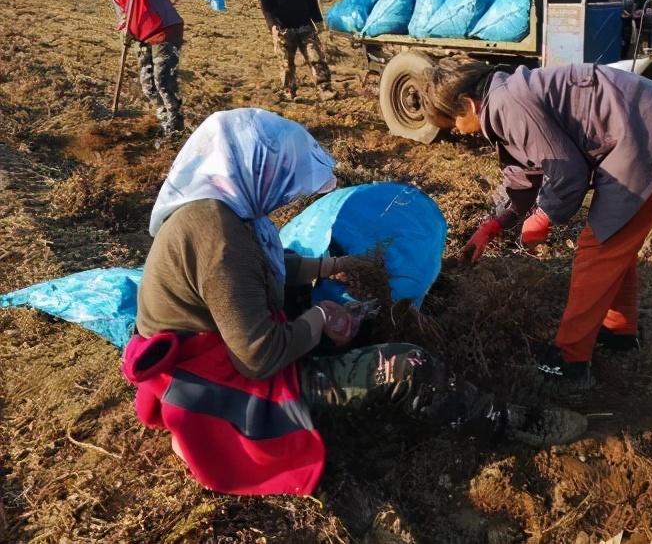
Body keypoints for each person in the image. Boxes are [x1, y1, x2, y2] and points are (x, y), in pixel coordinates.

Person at [124, 108, 584, 495]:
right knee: (409, 366)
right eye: (282, 178)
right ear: (254, 168)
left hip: (220, 351)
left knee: (340, 313)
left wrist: (332, 268)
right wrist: (321, 316)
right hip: (218, 385)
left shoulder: (225, 209)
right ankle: (506, 422)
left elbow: (268, 269)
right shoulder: (216, 234)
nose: (287, 194)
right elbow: (258, 356)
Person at [420, 59, 652, 389]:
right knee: (614, 240)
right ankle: (619, 331)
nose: (456, 131)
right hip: (649, 128)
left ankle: (570, 360)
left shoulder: (507, 104)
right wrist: (493, 225)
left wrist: (543, 216)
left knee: (599, 249)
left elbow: (567, 172)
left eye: (453, 123)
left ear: (468, 103)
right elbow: (525, 174)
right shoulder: (505, 100)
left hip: (649, 135)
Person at [82, 0, 185, 137]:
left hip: (164, 28)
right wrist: (124, 30)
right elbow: (122, 12)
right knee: (148, 86)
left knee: (163, 81)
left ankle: (176, 129)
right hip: (140, 36)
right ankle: (165, 120)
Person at [257, 0, 334, 101]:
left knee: (316, 58)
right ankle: (289, 92)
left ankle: (325, 89)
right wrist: (273, 26)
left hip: (304, 24)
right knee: (286, 64)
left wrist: (318, 20)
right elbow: (266, 4)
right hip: (283, 28)